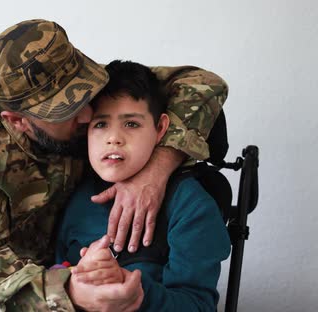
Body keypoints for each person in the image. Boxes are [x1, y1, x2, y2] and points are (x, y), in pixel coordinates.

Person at [0, 19, 228, 311]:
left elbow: (203, 84)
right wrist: (69, 293)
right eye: (64, 111)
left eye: (84, 94)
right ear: (19, 121)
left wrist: (155, 172)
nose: (87, 117)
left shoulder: (59, 72)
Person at [56, 60, 231, 311]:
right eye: (100, 124)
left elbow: (197, 304)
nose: (114, 138)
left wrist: (138, 294)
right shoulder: (75, 196)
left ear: (160, 128)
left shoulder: (191, 206)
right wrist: (74, 280)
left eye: (131, 124)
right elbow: (56, 268)